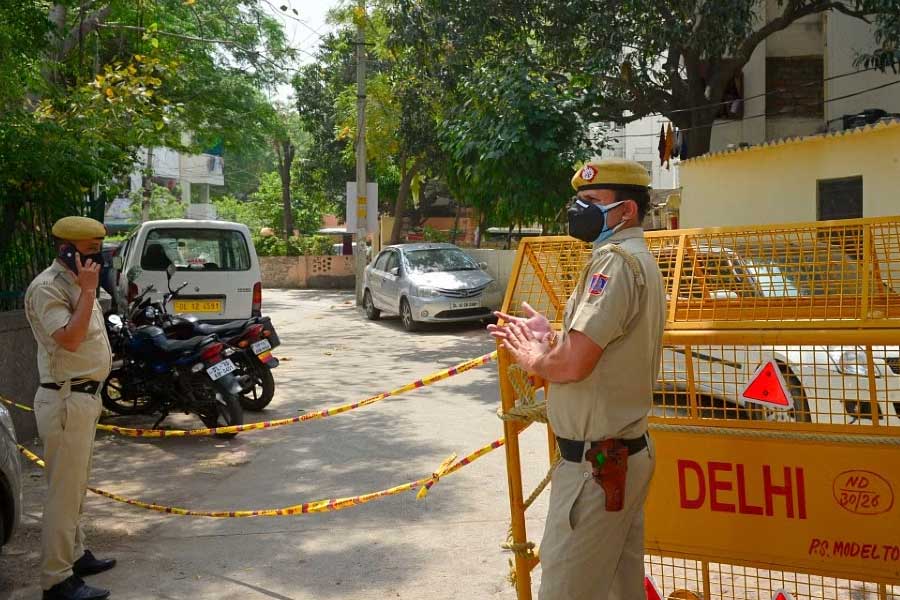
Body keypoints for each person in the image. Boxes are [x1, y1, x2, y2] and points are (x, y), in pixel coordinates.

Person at [488, 158, 666, 600]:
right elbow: (599, 349)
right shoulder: (633, 258)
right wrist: (551, 338)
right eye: (578, 200)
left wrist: (535, 358)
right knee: (617, 588)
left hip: (596, 468)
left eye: (591, 201)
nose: (578, 210)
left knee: (566, 590)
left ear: (626, 211)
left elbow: (572, 366)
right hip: (619, 457)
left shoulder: (615, 264)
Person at [25, 216, 117, 600]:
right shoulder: (48, 288)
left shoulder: (77, 283)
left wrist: (88, 287)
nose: (99, 259)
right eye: (91, 251)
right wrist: (90, 291)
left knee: (75, 487)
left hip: (83, 398)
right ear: (66, 250)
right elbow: (72, 339)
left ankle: (75, 556)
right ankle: (56, 579)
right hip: (65, 400)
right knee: (63, 494)